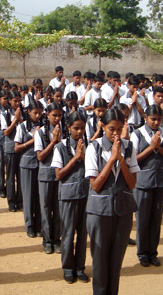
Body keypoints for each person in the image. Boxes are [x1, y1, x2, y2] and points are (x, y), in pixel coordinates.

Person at [85, 108, 139, 295]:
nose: (115, 134)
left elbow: (131, 183)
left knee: (117, 259)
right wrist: (112, 159)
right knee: (100, 259)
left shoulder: (129, 147)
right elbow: (96, 185)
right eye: (111, 129)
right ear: (102, 126)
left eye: (119, 128)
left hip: (122, 209)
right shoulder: (94, 147)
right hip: (99, 210)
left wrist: (121, 160)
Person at [130, 105, 163, 267]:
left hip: (160, 180)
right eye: (153, 119)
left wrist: (159, 148)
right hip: (143, 182)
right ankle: (142, 253)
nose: (156, 122)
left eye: (158, 119)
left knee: (156, 219)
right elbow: (133, 159)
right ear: (145, 118)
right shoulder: (137, 134)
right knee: (143, 219)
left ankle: (152, 252)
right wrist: (151, 147)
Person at [52, 111, 89, 284]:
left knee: (82, 234)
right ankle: (68, 268)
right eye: (76, 128)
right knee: (67, 233)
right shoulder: (60, 147)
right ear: (68, 128)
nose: (79, 132)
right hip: (68, 195)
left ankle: (80, 267)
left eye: (82, 128)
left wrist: (84, 157)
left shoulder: (90, 145)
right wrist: (75, 158)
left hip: (85, 194)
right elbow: (59, 174)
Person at [34, 102, 63, 254]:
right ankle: (47, 240)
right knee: (45, 208)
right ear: (47, 115)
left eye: (59, 115)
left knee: (58, 208)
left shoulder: (64, 130)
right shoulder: (40, 133)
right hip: (45, 175)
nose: (57, 118)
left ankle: (56, 239)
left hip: (60, 175)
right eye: (54, 115)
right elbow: (40, 156)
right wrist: (54, 142)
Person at [14, 100, 43, 237]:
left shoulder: (44, 126)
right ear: (28, 112)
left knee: (39, 196)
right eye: (35, 113)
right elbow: (17, 147)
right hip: (26, 164)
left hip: (40, 164)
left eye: (40, 113)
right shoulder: (23, 127)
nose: (37, 116)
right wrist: (33, 140)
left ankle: (39, 224)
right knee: (28, 195)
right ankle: (29, 225)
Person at [1, 90, 24, 212]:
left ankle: (20, 201)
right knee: (10, 177)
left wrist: (20, 119)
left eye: (19, 101)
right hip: (10, 148)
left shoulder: (23, 112)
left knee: (20, 176)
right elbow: (6, 132)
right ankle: (11, 202)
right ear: (9, 101)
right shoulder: (4, 114)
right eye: (15, 101)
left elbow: (26, 127)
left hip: (21, 147)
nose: (17, 103)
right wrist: (15, 119)